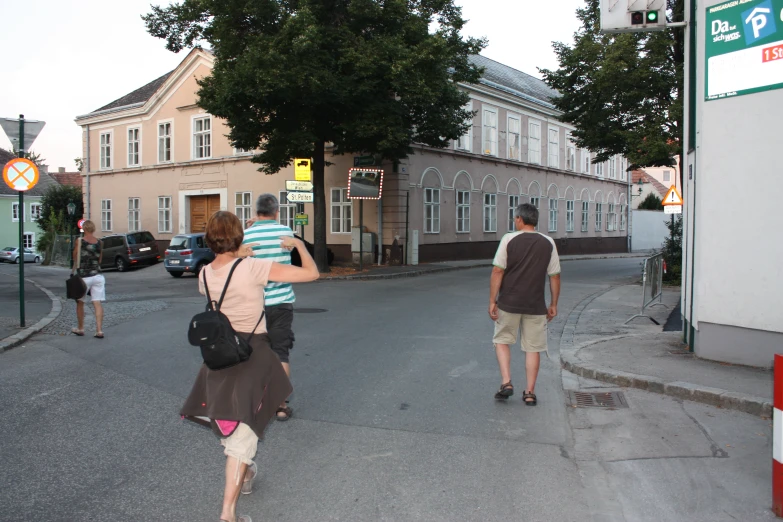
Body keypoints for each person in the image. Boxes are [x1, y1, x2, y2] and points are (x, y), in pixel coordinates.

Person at [180, 211, 318, 522]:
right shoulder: (254, 268)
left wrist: (235, 254)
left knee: (234, 420)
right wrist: (298, 244)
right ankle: (228, 514)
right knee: (243, 433)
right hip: (252, 355)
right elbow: (311, 274)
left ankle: (244, 471)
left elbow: (223, 269)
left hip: (219, 356)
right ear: (239, 237)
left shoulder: (203, 275)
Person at [488, 203, 561, 406]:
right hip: (536, 305)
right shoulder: (548, 242)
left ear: (519, 219)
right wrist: (553, 303)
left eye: (515, 218)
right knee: (533, 348)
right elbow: (554, 276)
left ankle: (506, 382)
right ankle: (529, 393)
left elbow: (497, 271)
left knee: (502, 340)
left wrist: (492, 300)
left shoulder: (508, 239)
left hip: (508, 303)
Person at [243, 194, 298, 421]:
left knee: (254, 353)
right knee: (280, 353)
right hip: (282, 302)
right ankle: (281, 405)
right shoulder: (286, 233)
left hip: (254, 304)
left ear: (256, 212)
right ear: (276, 211)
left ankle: (254, 402)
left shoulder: (245, 235)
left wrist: (252, 226)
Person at [71, 220, 105, 339]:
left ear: (84, 229)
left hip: (83, 277)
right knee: (97, 303)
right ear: (94, 229)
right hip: (98, 275)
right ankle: (99, 330)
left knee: (80, 302)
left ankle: (80, 328)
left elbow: (74, 257)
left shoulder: (79, 241)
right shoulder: (100, 243)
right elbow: (100, 260)